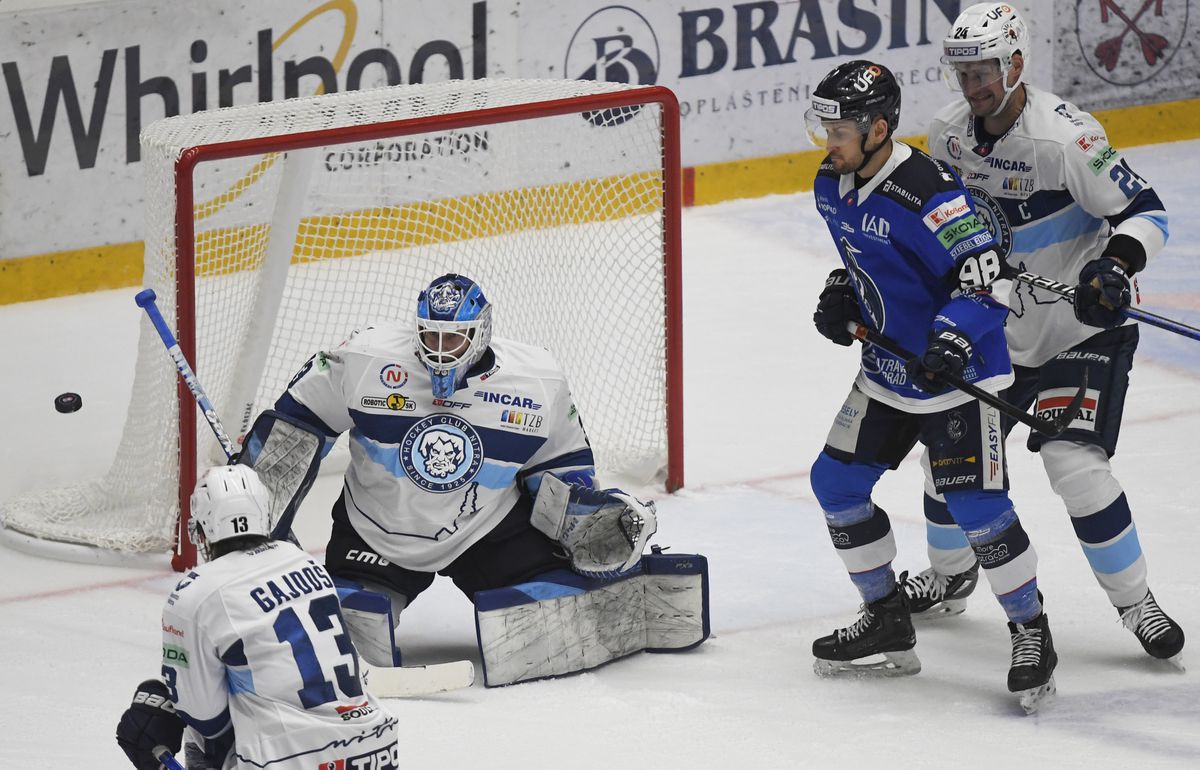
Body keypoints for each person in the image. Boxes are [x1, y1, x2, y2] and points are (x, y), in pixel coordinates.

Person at [245, 272, 707, 686]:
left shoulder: (536, 380)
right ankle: (356, 596)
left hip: (486, 529)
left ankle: (608, 594)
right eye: (431, 337)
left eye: (455, 339)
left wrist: (585, 518)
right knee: (342, 624)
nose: (440, 351)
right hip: (378, 533)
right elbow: (294, 433)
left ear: (482, 331)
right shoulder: (363, 358)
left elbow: (558, 471)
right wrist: (247, 505)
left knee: (549, 612)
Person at [906, 2, 1183, 666]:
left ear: (1017, 63)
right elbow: (933, 227)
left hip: (1076, 330)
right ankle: (950, 578)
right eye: (964, 72)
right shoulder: (947, 136)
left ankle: (1135, 601)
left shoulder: (1066, 140)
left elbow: (1147, 212)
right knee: (947, 462)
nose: (973, 86)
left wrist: (1114, 266)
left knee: (1075, 464)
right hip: (992, 329)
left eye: (987, 71)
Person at [805, 59, 1056, 711]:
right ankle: (886, 615)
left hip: (957, 375)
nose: (826, 142)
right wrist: (843, 298)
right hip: (889, 373)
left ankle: (1032, 631)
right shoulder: (830, 186)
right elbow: (868, 265)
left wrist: (950, 337)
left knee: (975, 506)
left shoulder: (929, 194)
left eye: (838, 129)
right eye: (822, 127)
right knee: (835, 484)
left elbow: (991, 281)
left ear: (880, 128)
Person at [115, 465, 398, 770]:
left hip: (292, 758)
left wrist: (164, 705)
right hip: (374, 747)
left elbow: (206, 719)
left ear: (202, 530)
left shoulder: (196, 593)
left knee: (172, 720)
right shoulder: (305, 562)